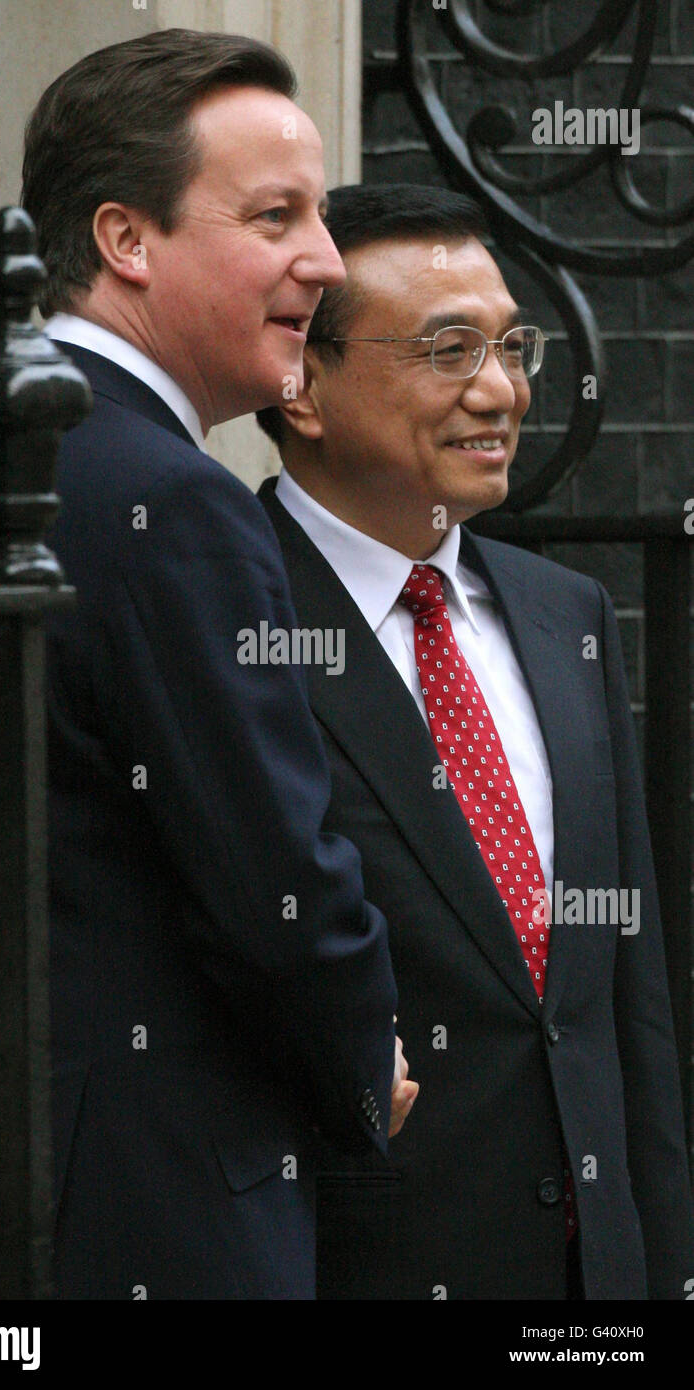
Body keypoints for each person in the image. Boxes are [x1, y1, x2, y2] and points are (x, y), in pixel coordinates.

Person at [0, 32, 418, 1301]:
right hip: (140, 1213)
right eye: (276, 216)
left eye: (325, 219)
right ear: (127, 241)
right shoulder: (166, 501)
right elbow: (274, 879)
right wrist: (368, 1059)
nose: (328, 262)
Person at [256, 181, 694, 1300]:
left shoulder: (566, 614)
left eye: (512, 345)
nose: (501, 391)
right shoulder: (225, 613)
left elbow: (620, 999)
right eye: (449, 349)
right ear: (301, 382)